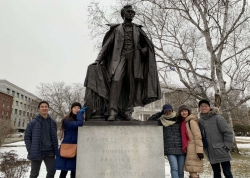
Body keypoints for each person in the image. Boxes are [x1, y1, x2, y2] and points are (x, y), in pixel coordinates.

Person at [84, 4, 161, 121]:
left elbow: (147, 47)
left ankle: (128, 112)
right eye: (129, 12)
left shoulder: (138, 29)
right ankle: (112, 111)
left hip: (134, 59)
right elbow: (106, 46)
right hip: (120, 58)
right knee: (116, 81)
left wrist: (143, 51)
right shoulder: (116, 29)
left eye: (133, 12)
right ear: (123, 14)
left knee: (131, 86)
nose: (131, 14)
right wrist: (98, 60)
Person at [198, 99, 234, 178]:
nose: (204, 108)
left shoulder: (218, 118)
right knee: (216, 173)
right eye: (201, 106)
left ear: (209, 107)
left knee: (227, 172)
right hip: (210, 151)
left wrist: (227, 146)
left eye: (205, 106)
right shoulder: (200, 121)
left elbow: (228, 132)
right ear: (199, 108)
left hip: (222, 150)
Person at [148, 104, 185, 178]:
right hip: (169, 149)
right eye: (166, 111)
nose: (168, 112)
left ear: (172, 110)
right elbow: (149, 121)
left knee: (181, 170)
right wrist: (160, 113)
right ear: (164, 112)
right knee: (174, 169)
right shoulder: (161, 121)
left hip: (180, 148)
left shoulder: (178, 120)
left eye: (170, 110)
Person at [24, 101, 58, 178]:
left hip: (50, 152)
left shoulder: (53, 122)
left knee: (52, 171)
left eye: (46, 106)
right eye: (42, 107)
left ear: (48, 108)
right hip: (37, 152)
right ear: (39, 109)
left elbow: (54, 137)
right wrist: (30, 150)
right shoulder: (33, 122)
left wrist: (55, 150)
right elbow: (27, 137)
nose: (44, 108)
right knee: (34, 174)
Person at [54, 102, 86, 178]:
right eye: (75, 108)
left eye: (78, 108)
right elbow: (79, 124)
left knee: (74, 171)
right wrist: (80, 114)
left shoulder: (80, 118)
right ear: (71, 109)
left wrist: (80, 115)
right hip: (69, 146)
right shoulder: (67, 119)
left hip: (77, 146)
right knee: (64, 170)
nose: (77, 109)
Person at [177, 105, 203, 178]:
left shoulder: (191, 121)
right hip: (188, 149)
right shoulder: (183, 122)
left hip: (193, 149)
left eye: (185, 111)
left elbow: (197, 136)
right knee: (192, 171)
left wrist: (199, 150)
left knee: (193, 171)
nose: (184, 112)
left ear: (188, 112)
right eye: (182, 111)